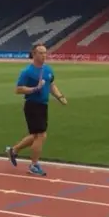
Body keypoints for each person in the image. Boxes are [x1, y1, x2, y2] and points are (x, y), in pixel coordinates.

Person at [5, 43, 67, 176]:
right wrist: (34, 89)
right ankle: (34, 165)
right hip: (32, 105)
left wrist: (60, 96)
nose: (44, 55)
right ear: (34, 54)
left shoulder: (48, 70)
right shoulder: (27, 71)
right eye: (41, 53)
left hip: (43, 105)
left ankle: (13, 150)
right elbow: (18, 89)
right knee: (41, 135)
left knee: (35, 135)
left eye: (45, 53)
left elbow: (51, 85)